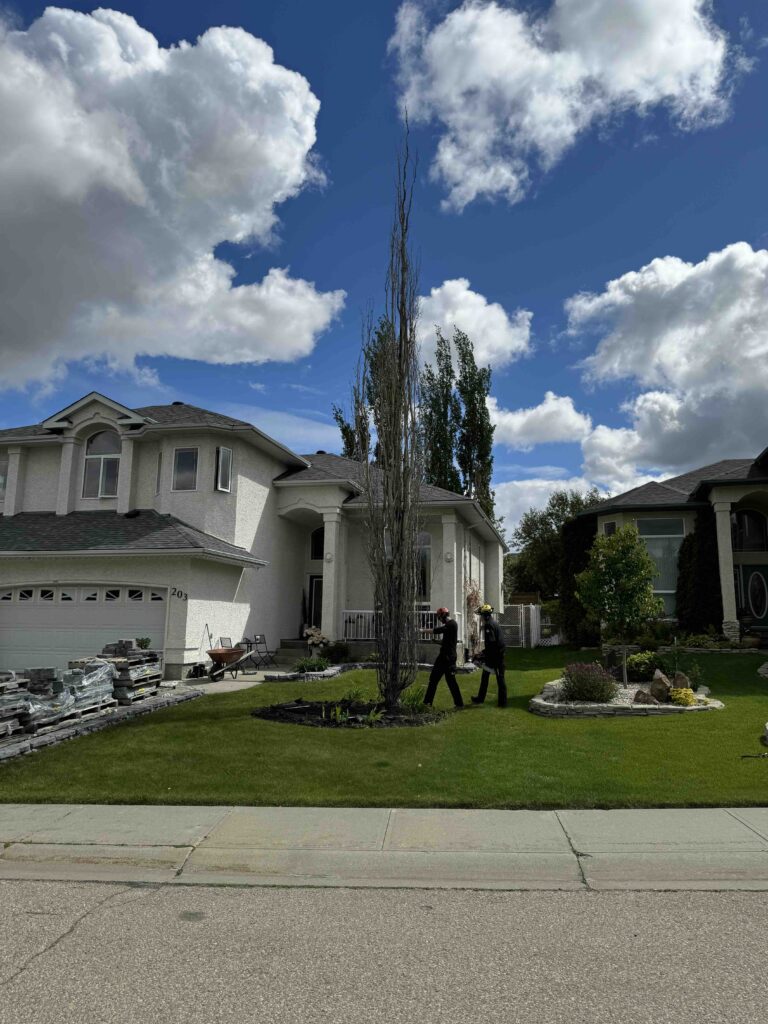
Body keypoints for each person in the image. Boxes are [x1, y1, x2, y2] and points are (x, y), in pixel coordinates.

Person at [424, 606, 464, 708]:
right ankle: (459, 704)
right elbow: (447, 642)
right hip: (447, 657)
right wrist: (436, 641)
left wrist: (422, 630)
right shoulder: (451, 625)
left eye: (439, 617)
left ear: (442, 616)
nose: (439, 619)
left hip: (446, 658)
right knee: (448, 681)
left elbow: (437, 630)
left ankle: (427, 703)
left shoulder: (451, 624)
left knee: (436, 680)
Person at [471, 604, 507, 707]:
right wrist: (483, 653)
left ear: (485, 616)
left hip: (497, 656)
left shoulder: (489, 625)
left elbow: (492, 643)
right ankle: (480, 698)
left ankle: (502, 703)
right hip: (494, 655)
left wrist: (483, 654)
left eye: (481, 616)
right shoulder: (493, 623)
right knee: (485, 677)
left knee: (500, 679)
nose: (480, 618)